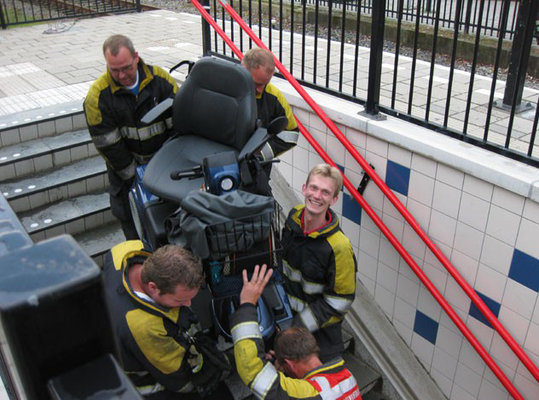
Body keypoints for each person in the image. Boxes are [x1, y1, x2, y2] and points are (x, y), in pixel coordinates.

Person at [103, 241, 228, 399]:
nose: (188, 304)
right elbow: (178, 380)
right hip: (152, 384)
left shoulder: (128, 249)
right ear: (153, 287)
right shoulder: (144, 327)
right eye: (179, 300)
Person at [84, 34, 178, 240]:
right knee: (136, 237)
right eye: (114, 70)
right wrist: (138, 178)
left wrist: (165, 169)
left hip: (165, 172)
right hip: (127, 181)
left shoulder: (161, 81)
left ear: (136, 57)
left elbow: (179, 127)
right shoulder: (97, 98)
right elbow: (109, 146)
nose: (122, 75)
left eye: (126, 67)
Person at [231, 264, 362, 400]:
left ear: (289, 364)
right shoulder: (347, 377)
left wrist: (247, 304)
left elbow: (251, 369)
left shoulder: (309, 393)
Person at [281, 164, 357, 362]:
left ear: (334, 199)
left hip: (319, 337)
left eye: (325, 192)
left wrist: (297, 327)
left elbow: (340, 302)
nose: (317, 196)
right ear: (304, 188)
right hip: (286, 318)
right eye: (313, 188)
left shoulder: (339, 247)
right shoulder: (293, 218)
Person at [241, 47, 299, 162]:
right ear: (243, 70)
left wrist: (258, 156)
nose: (260, 90)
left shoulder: (274, 97)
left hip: (254, 170)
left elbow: (291, 135)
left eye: (265, 84)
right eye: (257, 84)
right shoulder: (226, 87)